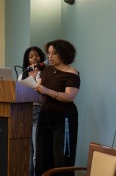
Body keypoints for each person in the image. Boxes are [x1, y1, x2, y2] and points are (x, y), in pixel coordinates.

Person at [34, 39, 80, 176]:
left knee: (62, 159)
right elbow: (38, 88)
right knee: (42, 158)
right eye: (48, 53)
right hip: (45, 117)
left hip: (63, 119)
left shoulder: (72, 73)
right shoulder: (47, 70)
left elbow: (69, 97)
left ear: (64, 54)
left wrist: (47, 91)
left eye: (54, 53)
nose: (50, 57)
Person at [18, 46, 46, 176]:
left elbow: (41, 90)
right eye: (31, 56)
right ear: (27, 60)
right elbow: (17, 91)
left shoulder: (44, 71)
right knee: (27, 151)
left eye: (37, 55)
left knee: (37, 152)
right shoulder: (22, 73)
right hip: (23, 112)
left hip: (37, 110)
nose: (34, 58)